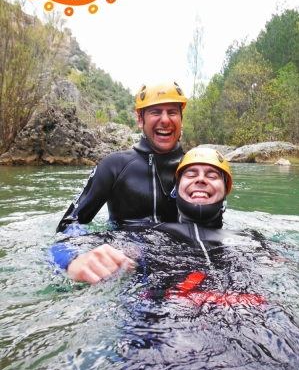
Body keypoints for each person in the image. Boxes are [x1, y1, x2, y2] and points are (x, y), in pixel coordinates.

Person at [49, 148, 271, 284]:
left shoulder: (253, 239)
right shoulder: (147, 235)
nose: (201, 179)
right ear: (176, 191)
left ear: (226, 191)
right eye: (191, 174)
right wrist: (73, 261)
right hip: (164, 330)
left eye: (212, 175)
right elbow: (61, 247)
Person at [56, 81, 187, 235]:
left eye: (172, 112)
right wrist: (87, 252)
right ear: (140, 120)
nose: (165, 120)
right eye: (156, 112)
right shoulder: (113, 166)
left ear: (181, 119)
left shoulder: (196, 170)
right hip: (125, 252)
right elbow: (67, 225)